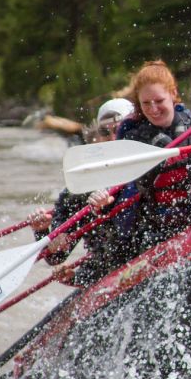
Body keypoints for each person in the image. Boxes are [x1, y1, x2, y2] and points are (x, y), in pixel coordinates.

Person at [90, 59, 191, 249]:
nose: (153, 109)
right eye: (146, 103)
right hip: (159, 228)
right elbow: (121, 187)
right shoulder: (132, 140)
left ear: (173, 94)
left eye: (159, 101)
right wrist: (106, 202)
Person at [28, 97, 137, 285]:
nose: (112, 139)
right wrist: (42, 231)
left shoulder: (151, 169)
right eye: (105, 132)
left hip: (147, 257)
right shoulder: (80, 188)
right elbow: (55, 257)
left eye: (119, 130)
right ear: (96, 137)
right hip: (104, 273)